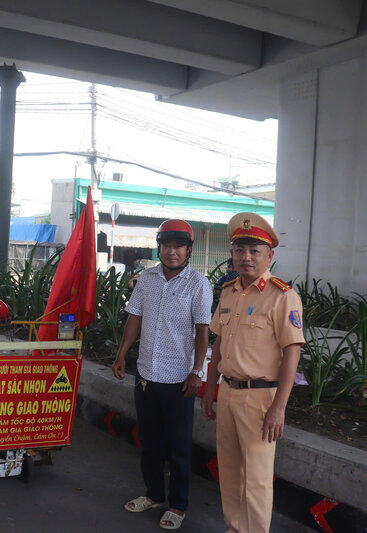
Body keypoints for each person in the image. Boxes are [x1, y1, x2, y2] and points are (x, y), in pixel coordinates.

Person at [201, 212, 305, 533]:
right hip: (229, 393)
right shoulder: (229, 291)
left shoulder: (282, 296)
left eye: (254, 251)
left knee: (257, 478)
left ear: (269, 255)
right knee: (230, 470)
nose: (246, 257)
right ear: (231, 254)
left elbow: (292, 351)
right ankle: (235, 526)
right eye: (240, 250)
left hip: (261, 399)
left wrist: (279, 407)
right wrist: (209, 387)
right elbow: (218, 341)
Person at [112, 219, 212, 531]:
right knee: (150, 443)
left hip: (179, 380)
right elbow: (135, 317)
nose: (171, 252)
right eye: (166, 245)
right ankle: (154, 494)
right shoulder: (147, 279)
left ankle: (178, 505)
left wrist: (198, 371)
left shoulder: (199, 284)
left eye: (178, 246)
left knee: (179, 447)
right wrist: (121, 353)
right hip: (146, 376)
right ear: (160, 247)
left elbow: (202, 331)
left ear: (188, 250)